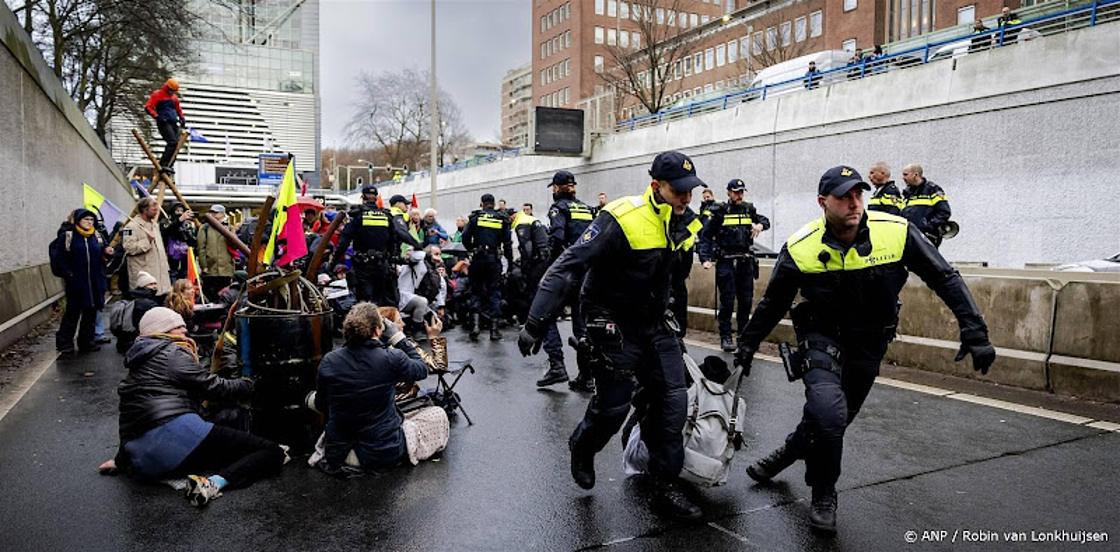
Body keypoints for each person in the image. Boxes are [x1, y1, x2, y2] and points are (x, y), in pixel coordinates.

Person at [736, 166, 995, 534]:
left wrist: (974, 330)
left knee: (834, 420)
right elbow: (773, 303)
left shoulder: (898, 232)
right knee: (827, 413)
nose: (854, 202)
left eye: (859, 194)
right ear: (823, 202)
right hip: (821, 335)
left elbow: (944, 276)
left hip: (869, 341)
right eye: (844, 197)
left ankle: (788, 452)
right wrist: (747, 345)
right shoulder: (801, 246)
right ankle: (823, 493)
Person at [518, 150, 707, 519]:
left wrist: (677, 325)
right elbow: (568, 266)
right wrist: (535, 323)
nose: (687, 197)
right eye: (679, 190)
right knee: (613, 408)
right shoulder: (621, 217)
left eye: (691, 190)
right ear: (656, 186)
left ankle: (664, 482)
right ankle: (583, 445)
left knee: (673, 402)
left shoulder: (687, 222)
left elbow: (676, 280)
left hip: (654, 323)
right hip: (613, 324)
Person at [114, 307, 286, 507]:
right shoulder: (172, 353)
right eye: (178, 327)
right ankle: (212, 483)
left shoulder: (140, 360)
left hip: (146, 462)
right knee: (271, 452)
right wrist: (248, 384)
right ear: (163, 331)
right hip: (178, 435)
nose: (185, 332)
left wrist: (120, 460)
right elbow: (212, 386)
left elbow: (128, 417)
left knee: (223, 445)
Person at [312, 303, 442, 475]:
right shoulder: (391, 357)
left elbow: (321, 404)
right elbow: (422, 369)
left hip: (339, 452)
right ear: (378, 331)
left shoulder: (329, 360)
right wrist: (398, 337)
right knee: (438, 414)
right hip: (381, 452)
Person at [537, 170, 597, 390]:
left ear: (557, 188)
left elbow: (557, 238)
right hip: (587, 272)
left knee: (545, 315)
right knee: (581, 325)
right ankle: (587, 375)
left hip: (567, 271)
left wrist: (551, 267)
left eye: (553, 187)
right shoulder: (586, 208)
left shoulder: (558, 208)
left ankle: (556, 366)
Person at [698, 179, 771, 352]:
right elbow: (706, 236)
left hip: (745, 261)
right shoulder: (719, 211)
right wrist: (705, 258)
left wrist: (760, 225)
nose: (739, 195)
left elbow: (764, 220)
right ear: (729, 193)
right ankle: (726, 336)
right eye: (736, 192)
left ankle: (743, 337)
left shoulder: (748, 209)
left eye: (741, 192)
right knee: (727, 301)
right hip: (726, 261)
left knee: (745, 302)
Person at [333, 183, 416, 307]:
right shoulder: (386, 216)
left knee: (365, 303)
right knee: (383, 302)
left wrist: (332, 264)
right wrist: (394, 259)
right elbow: (394, 241)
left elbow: (343, 243)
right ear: (376, 198)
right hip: (382, 266)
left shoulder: (358, 216)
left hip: (363, 267)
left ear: (363, 197)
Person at [55, 208, 113, 354]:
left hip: (94, 282)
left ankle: (87, 341)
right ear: (78, 221)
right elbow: (60, 258)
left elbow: (104, 255)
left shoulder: (97, 236)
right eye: (86, 219)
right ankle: (65, 343)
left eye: (91, 220)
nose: (89, 222)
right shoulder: (68, 236)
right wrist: (69, 275)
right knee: (72, 313)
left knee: (90, 312)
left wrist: (108, 252)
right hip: (76, 283)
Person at [461, 193, 513, 341]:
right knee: (494, 292)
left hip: (478, 259)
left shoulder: (475, 217)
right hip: (493, 259)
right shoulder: (501, 218)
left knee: (475, 291)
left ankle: (475, 327)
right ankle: (494, 330)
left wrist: (472, 249)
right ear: (494, 203)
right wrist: (509, 261)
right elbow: (508, 243)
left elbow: (465, 237)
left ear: (482, 203)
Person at [123, 197, 172, 296]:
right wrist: (147, 241)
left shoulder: (155, 225)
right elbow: (129, 248)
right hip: (145, 279)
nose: (156, 212)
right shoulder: (130, 227)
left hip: (161, 277)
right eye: (154, 210)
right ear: (144, 210)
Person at [511, 206, 551, 323]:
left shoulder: (522, 223)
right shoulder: (530, 219)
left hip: (537, 261)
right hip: (544, 258)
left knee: (531, 291)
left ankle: (532, 320)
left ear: (513, 216)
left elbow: (527, 248)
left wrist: (525, 266)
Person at [900, 164, 952, 247]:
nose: (903, 178)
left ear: (915, 175)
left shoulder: (932, 189)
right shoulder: (908, 192)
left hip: (927, 237)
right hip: (910, 236)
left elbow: (944, 212)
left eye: (905, 174)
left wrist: (928, 226)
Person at [144, 78, 186, 174]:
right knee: (172, 142)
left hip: (173, 122)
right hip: (164, 123)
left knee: (176, 146)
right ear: (167, 88)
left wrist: (182, 118)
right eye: (171, 90)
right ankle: (163, 164)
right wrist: (157, 116)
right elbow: (148, 107)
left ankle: (169, 165)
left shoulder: (174, 98)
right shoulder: (157, 95)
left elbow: (178, 109)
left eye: (174, 91)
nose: (172, 92)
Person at [196, 204, 237, 302]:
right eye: (211, 212)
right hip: (211, 269)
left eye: (215, 212)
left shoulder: (230, 227)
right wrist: (204, 266)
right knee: (211, 296)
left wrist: (230, 233)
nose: (212, 214)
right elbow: (201, 248)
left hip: (226, 269)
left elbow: (235, 246)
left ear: (222, 214)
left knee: (225, 295)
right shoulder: (205, 228)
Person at [114, 271, 162, 353]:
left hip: (124, 343)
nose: (154, 287)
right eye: (150, 284)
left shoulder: (130, 297)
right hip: (137, 345)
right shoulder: (147, 302)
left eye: (155, 283)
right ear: (143, 286)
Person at [161, 202, 196, 281]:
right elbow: (167, 231)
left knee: (184, 274)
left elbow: (192, 239)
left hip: (185, 253)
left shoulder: (188, 223)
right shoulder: (166, 221)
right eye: (177, 211)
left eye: (181, 211)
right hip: (171, 253)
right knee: (172, 274)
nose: (180, 213)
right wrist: (179, 220)